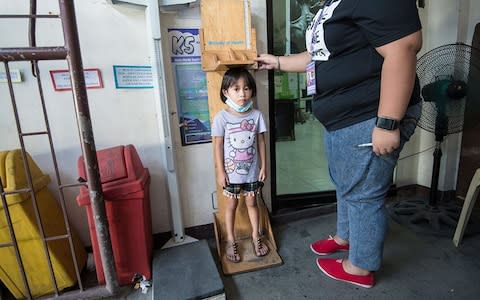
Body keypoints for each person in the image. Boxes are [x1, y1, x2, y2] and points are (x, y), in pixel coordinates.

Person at [255, 0, 422, 288]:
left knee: (363, 193)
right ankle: (346, 238)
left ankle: (361, 266)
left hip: (368, 115)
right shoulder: (333, 4)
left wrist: (388, 122)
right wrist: (277, 62)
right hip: (343, 118)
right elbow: (316, 56)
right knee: (346, 184)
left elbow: (403, 47)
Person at [211, 67, 269, 263]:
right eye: (236, 89)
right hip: (230, 175)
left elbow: (261, 141)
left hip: (252, 173)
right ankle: (230, 240)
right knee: (231, 206)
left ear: (252, 90)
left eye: (246, 88)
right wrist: (220, 172)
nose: (242, 93)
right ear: (226, 92)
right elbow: (217, 146)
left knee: (253, 203)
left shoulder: (257, 116)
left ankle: (256, 237)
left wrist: (264, 166)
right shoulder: (221, 118)